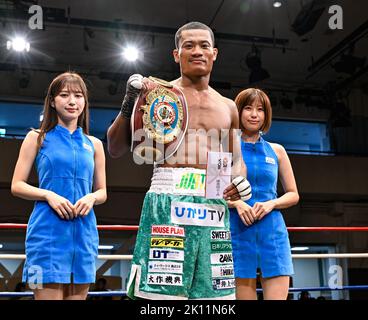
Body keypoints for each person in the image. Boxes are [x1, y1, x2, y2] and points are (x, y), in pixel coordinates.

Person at [107, 21, 250, 300]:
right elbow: (114, 148)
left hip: (214, 202)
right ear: (176, 55)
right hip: (168, 199)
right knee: (161, 299)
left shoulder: (228, 107)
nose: (197, 51)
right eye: (189, 45)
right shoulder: (157, 95)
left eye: (204, 45)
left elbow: (236, 160)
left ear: (215, 53)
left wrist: (240, 182)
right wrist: (129, 102)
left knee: (214, 300)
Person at [11, 72, 107, 300]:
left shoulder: (94, 144)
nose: (72, 101)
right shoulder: (36, 137)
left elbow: (103, 191)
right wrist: (48, 195)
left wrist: (92, 198)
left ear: (85, 101)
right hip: (46, 235)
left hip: (84, 236)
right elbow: (17, 185)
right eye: (64, 95)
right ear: (53, 101)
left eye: (78, 95)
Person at [228, 88, 299, 300]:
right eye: (248, 108)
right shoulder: (225, 147)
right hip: (237, 230)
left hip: (273, 231)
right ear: (238, 112)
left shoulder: (277, 150)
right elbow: (212, 192)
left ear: (266, 115)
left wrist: (271, 204)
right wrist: (237, 204)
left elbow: (293, 194)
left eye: (260, 109)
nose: (254, 114)